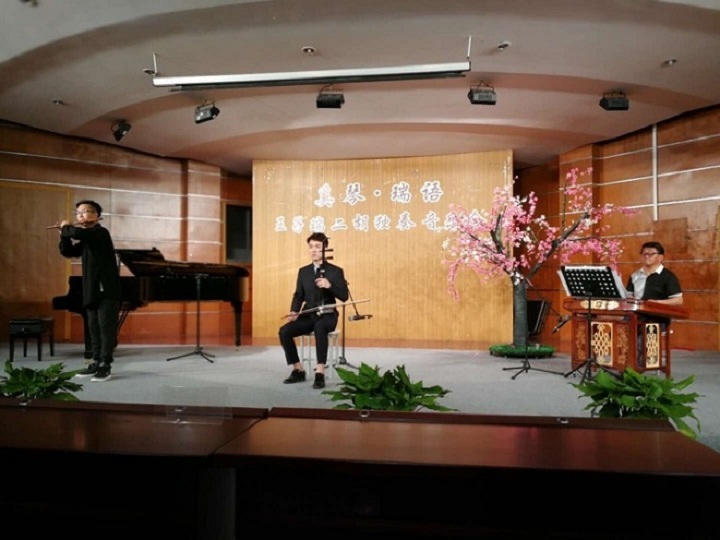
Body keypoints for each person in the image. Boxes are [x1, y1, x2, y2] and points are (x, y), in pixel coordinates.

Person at [57, 200, 121, 382]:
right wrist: (64, 236)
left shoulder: (100, 233)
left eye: (85, 211)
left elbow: (76, 232)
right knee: (93, 327)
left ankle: (105, 365)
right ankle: (95, 362)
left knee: (105, 328)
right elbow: (68, 251)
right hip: (91, 288)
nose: (80, 215)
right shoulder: (87, 238)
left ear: (96, 215)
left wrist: (66, 227)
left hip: (106, 289)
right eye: (78, 213)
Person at [279, 232, 349, 389]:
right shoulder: (303, 271)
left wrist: (329, 285)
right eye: (311, 247)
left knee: (320, 327)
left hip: (328, 315)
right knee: (284, 331)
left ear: (325, 249)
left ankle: (320, 372)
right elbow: (299, 295)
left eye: (317, 247)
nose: (313, 250)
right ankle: (298, 369)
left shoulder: (335, 271)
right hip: (309, 314)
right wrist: (294, 311)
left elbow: (344, 296)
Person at [625, 241, 682, 367]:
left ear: (660, 257)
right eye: (644, 253)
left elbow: (678, 300)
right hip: (636, 315)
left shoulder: (668, 277)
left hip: (657, 318)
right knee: (619, 330)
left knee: (643, 333)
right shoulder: (635, 276)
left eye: (651, 254)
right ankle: (622, 364)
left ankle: (638, 367)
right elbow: (628, 297)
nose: (647, 256)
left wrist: (656, 303)